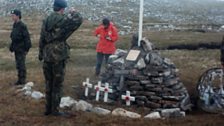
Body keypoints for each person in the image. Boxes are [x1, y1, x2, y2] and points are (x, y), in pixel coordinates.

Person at [38, 0, 82, 116]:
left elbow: (42, 38)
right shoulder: (63, 20)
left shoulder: (46, 20)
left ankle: (48, 109)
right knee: (57, 84)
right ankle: (55, 110)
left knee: (49, 82)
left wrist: (41, 53)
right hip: (58, 55)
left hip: (47, 54)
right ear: (62, 9)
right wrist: (74, 13)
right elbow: (78, 21)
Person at [10, 9, 31, 85]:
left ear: (18, 16)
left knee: (21, 65)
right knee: (18, 64)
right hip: (16, 48)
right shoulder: (15, 25)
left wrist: (26, 48)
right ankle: (19, 79)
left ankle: (22, 80)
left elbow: (26, 38)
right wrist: (12, 46)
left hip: (21, 49)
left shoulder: (22, 26)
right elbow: (14, 37)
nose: (12, 17)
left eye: (13, 16)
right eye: (11, 16)